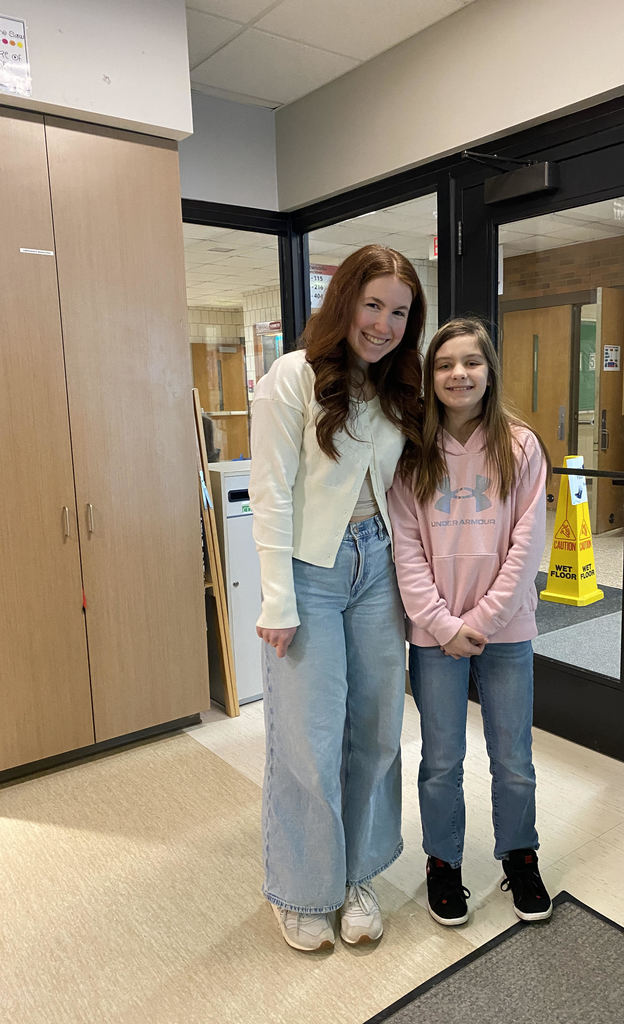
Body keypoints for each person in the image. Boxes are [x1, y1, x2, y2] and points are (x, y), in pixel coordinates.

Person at [248, 244, 425, 952]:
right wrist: (277, 599)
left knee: (379, 729)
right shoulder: (292, 377)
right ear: (345, 300)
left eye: (400, 312)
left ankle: (357, 876)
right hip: (310, 572)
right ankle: (301, 889)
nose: (383, 323)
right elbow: (270, 492)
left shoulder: (395, 386)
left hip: (376, 565)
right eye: (372, 304)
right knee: (307, 739)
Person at [387, 317, 552, 927]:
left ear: (490, 370)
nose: (459, 374)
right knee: (441, 758)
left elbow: (526, 547)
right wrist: (440, 624)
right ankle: (443, 863)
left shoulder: (521, 446)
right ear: (430, 377)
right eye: (445, 364)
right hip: (434, 638)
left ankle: (520, 854)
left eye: (471, 362)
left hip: (506, 632)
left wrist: (479, 620)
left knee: (513, 756)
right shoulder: (413, 453)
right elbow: (406, 549)